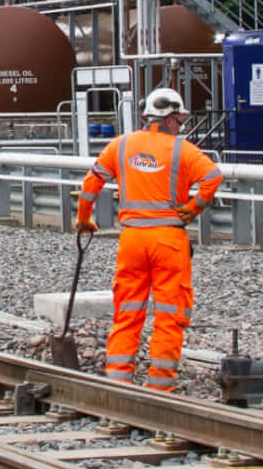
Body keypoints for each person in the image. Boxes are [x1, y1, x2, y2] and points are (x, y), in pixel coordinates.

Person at [75, 88, 224, 392]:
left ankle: (118, 384)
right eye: (179, 120)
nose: (180, 126)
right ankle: (159, 388)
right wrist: (193, 208)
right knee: (170, 316)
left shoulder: (121, 145)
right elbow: (213, 177)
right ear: (169, 118)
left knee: (127, 312)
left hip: (132, 240)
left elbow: (92, 182)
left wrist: (84, 218)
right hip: (169, 240)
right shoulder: (183, 150)